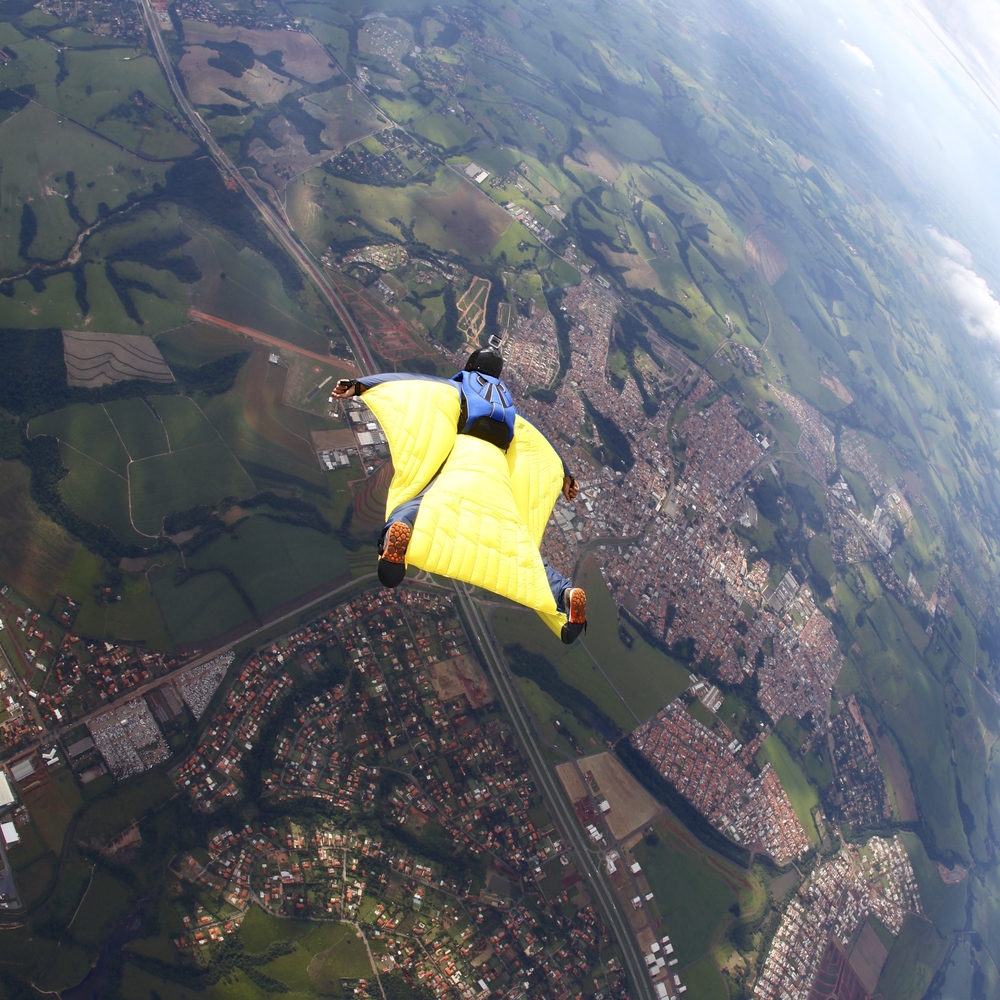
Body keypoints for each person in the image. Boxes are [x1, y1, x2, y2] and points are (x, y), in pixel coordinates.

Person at [333, 339, 587, 643]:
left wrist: (360, 386)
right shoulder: (509, 408)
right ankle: (564, 593)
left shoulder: (462, 387)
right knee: (521, 546)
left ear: (470, 366)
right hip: (498, 474)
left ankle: (398, 534)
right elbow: (541, 443)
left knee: (418, 503)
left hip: (464, 457)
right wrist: (566, 477)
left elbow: (411, 384)